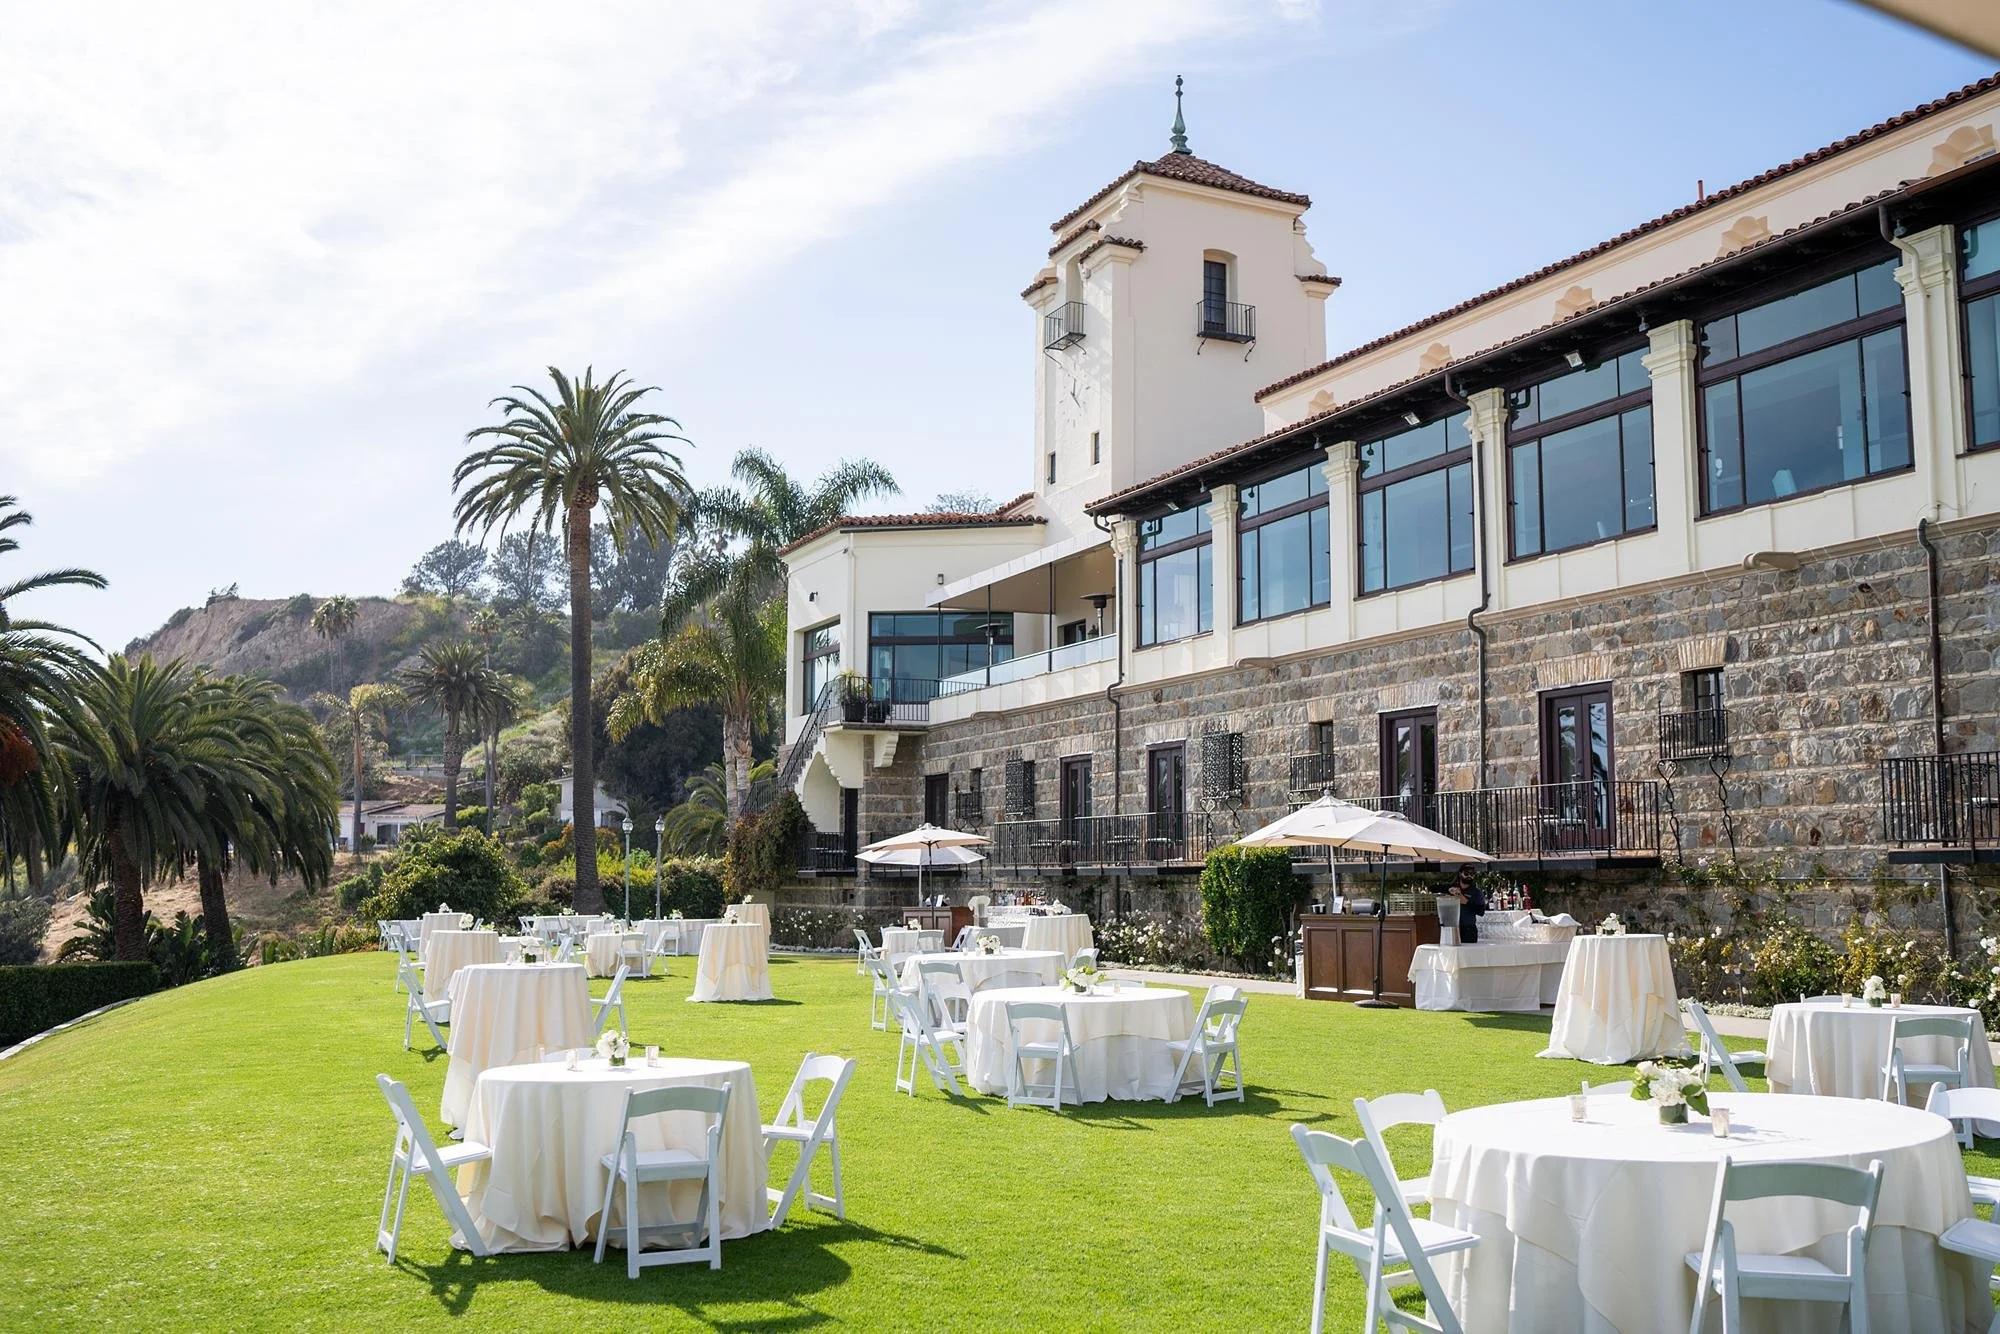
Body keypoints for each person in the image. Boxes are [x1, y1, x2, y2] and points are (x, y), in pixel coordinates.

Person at [1448, 866, 1487, 944]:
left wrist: (1466, 902)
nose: (1469, 876)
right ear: (1460, 874)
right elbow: (1433, 887)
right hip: (1451, 928)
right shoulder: (1453, 887)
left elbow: (1481, 911)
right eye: (1466, 873)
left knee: (1469, 953)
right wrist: (1448, 889)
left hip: (1468, 929)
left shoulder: (1476, 892)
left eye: (1472, 874)